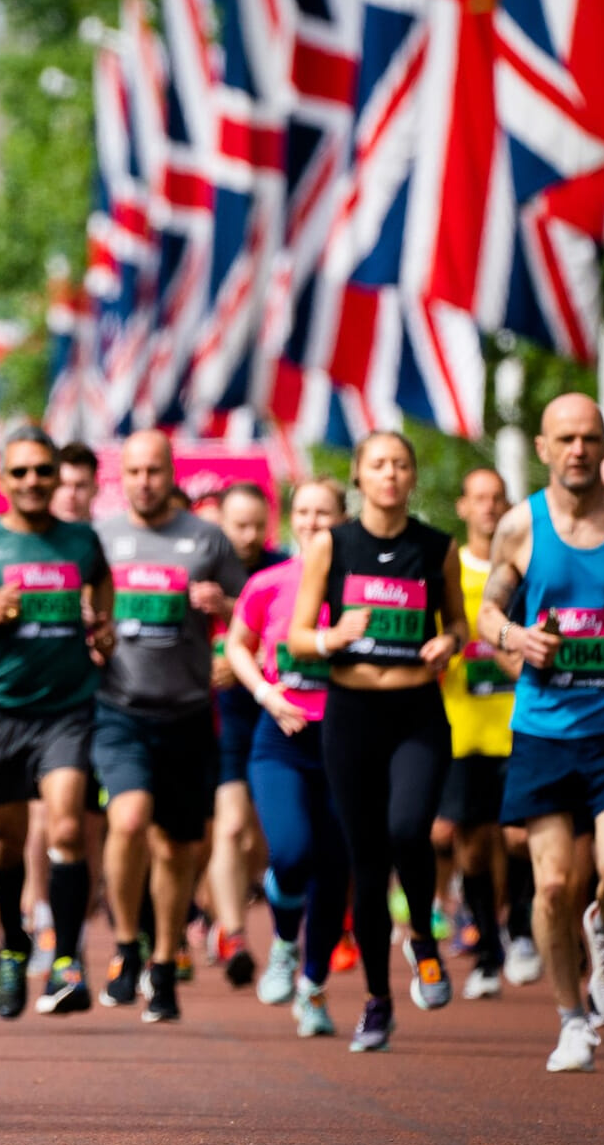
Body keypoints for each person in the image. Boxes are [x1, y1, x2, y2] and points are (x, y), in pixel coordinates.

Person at [475, 394, 604, 1071]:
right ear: (544, 448)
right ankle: (571, 1021)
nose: (579, 450)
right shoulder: (519, 526)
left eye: (590, 437)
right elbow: (489, 611)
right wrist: (515, 636)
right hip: (544, 729)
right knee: (555, 885)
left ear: (603, 443)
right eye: (566, 438)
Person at [288, 431, 467, 1053]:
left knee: (408, 829)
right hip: (352, 713)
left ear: (412, 477)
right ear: (360, 477)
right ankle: (377, 1001)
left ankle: (422, 937)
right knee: (365, 864)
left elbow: (458, 622)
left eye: (400, 464)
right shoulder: (332, 545)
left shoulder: (437, 547)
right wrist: (332, 636)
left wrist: (449, 642)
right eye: (378, 464)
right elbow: (298, 636)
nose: (390, 474)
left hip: (417, 712)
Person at [0, 426, 112, 1019]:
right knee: (5, 841)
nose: (34, 481)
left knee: (66, 828)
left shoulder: (81, 540)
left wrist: (103, 624)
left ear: (56, 477)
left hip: (66, 709)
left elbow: (101, 579)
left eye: (43, 471)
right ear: (4, 480)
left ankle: (67, 958)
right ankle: (12, 945)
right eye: (21, 472)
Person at [91, 430, 245, 1024]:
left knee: (179, 847)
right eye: (134, 472)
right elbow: (85, 609)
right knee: (129, 819)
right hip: (119, 708)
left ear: (171, 473)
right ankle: (125, 944)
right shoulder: (101, 537)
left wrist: (225, 618)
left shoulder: (207, 539)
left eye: (154, 471)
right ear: (122, 477)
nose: (144, 482)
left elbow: (252, 613)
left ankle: (162, 962)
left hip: (187, 711)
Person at [222, 479, 350, 1036]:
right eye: (304, 512)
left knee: (335, 869)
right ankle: (282, 944)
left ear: (344, 519)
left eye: (325, 512)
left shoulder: (361, 586)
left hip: (346, 744)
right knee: (292, 852)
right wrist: (265, 693)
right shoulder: (270, 582)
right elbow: (237, 645)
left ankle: (313, 988)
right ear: (291, 519)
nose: (313, 521)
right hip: (281, 739)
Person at [434, 467, 533, 998]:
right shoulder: (448, 569)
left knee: (520, 836)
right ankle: (487, 950)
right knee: (471, 846)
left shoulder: (525, 565)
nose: (489, 506)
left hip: (522, 725)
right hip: (464, 729)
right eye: (479, 498)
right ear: (463, 506)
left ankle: (521, 928)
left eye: (498, 498)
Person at [209, 481, 282, 985]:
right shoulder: (201, 563)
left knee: (264, 838)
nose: (250, 535)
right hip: (221, 720)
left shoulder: (283, 568)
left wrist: (229, 613)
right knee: (231, 826)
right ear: (221, 523)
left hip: (276, 715)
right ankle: (232, 934)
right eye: (239, 525)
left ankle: (254, 905)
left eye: (258, 525)